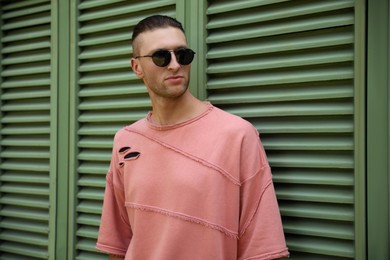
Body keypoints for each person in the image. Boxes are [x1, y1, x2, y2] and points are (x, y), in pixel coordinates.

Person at [96, 15, 289, 260]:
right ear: (137, 67)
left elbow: (263, 247)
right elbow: (118, 245)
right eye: (161, 56)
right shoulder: (126, 141)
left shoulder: (237, 134)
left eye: (182, 54)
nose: (175, 64)